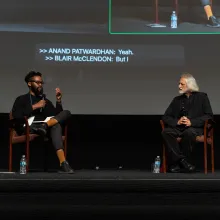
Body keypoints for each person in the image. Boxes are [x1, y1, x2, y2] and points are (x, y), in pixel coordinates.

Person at [12, 71, 74, 174]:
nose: (40, 85)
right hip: (29, 127)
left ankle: (63, 162)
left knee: (64, 115)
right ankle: (63, 162)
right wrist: (35, 106)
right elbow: (17, 115)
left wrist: (58, 101)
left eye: (41, 83)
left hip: (44, 128)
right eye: (37, 82)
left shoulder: (45, 101)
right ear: (29, 83)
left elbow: (56, 116)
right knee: (55, 125)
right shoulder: (21, 99)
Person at [161, 73, 213, 173]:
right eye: (179, 83)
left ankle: (179, 162)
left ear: (190, 85)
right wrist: (177, 121)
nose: (179, 86)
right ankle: (182, 161)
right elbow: (165, 117)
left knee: (189, 133)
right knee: (166, 132)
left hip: (195, 128)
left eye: (182, 84)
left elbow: (209, 115)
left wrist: (191, 122)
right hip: (179, 128)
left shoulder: (202, 97)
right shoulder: (176, 100)